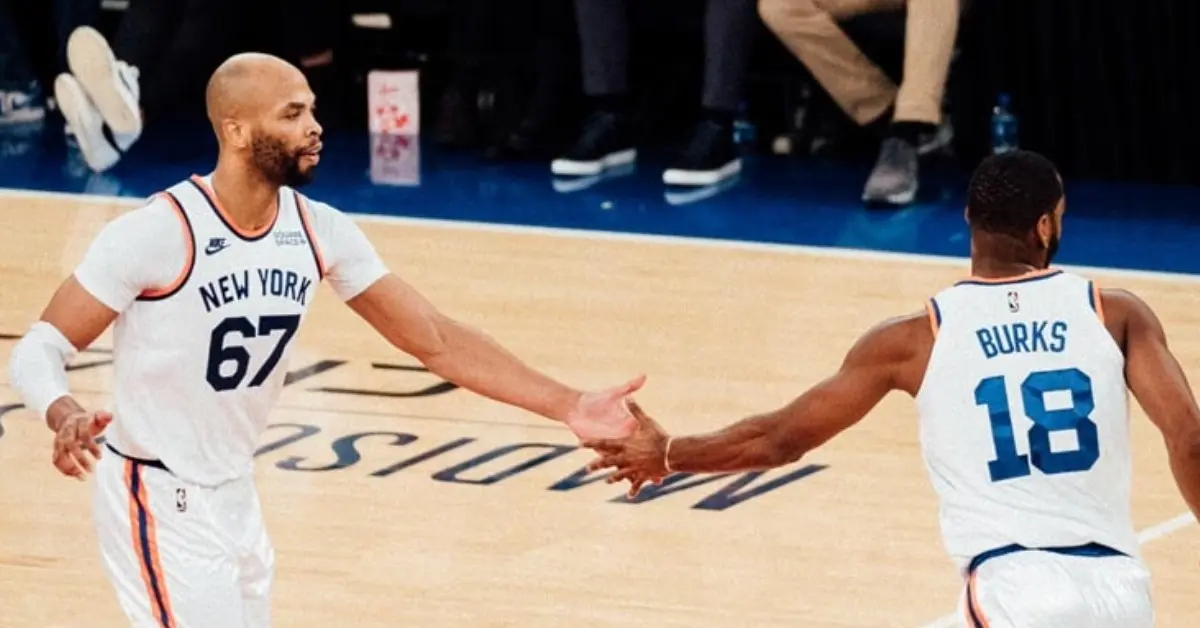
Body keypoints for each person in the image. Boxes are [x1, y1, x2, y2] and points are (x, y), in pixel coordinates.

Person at [9, 52, 644, 627]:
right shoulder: (157, 232)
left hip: (234, 490)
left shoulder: (318, 231)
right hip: (154, 492)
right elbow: (39, 348)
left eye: (312, 110)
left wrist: (569, 404)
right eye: (292, 114)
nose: (314, 127)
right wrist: (62, 410)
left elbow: (436, 340)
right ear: (236, 131)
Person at [584, 151, 1200, 627]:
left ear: (969, 221)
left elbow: (778, 439)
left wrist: (669, 454)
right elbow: (1190, 440)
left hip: (1016, 589)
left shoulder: (914, 339)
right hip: (1122, 593)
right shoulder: (1114, 314)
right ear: (1045, 226)